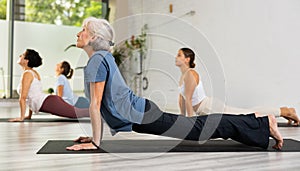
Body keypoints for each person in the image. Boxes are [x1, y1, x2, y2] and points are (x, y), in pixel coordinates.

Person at [66, 17, 283, 151]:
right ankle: (256, 120)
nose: (78, 33)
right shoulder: (102, 58)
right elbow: (104, 105)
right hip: (142, 112)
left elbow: (96, 105)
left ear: (94, 37)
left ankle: (263, 124)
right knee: (197, 128)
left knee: (197, 130)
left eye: (83, 30)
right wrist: (95, 137)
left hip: (143, 114)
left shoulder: (97, 60)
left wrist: (95, 142)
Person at [176, 47, 300, 125]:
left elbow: (188, 98)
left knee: (248, 114)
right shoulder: (183, 76)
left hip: (209, 107)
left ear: (187, 59)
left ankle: (286, 112)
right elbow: (182, 99)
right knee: (246, 113)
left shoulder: (191, 74)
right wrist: (182, 118)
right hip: (205, 109)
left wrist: (189, 123)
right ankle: (283, 110)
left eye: (179, 55)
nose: (176, 57)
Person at [9, 49, 90, 122]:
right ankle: (98, 112)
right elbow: (31, 96)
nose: (20, 56)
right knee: (78, 112)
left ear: (26, 61)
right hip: (48, 101)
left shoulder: (27, 74)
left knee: (77, 113)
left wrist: (21, 117)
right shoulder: (31, 73)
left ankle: (100, 113)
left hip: (49, 102)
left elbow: (23, 98)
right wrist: (29, 115)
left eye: (22, 55)